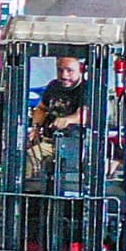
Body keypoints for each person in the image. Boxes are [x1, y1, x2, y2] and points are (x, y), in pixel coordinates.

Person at [21, 55, 92, 184]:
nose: (64, 75)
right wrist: (35, 128)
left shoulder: (88, 89)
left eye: (70, 71)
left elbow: (84, 115)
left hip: (75, 142)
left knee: (32, 154)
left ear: (81, 69)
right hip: (50, 139)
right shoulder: (54, 86)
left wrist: (68, 120)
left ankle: (29, 186)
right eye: (60, 70)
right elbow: (42, 108)